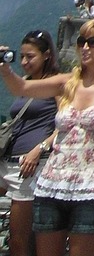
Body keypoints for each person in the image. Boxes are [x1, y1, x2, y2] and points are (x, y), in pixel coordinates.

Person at [0, 17, 94, 256]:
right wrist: (5, 68)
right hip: (53, 182)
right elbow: (21, 88)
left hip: (91, 185)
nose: (84, 47)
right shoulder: (68, 82)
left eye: (93, 42)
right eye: (81, 41)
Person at [0, 29, 59, 256]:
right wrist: (5, 68)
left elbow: (64, 125)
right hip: (8, 161)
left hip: (28, 167)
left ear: (46, 55)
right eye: (22, 56)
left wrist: (40, 149)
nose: (24, 62)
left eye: (30, 57)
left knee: (19, 238)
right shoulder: (24, 82)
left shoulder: (56, 84)